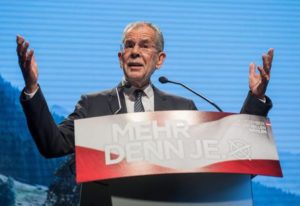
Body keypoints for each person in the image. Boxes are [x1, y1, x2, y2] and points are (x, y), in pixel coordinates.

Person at [16, 21, 273, 203]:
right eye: (129, 45)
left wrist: (256, 99)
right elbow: (52, 145)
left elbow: (227, 158)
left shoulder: (182, 108)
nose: (135, 52)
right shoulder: (93, 105)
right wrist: (32, 87)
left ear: (159, 59)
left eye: (145, 45)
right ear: (121, 57)